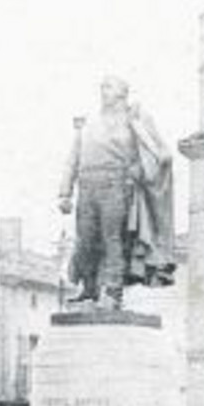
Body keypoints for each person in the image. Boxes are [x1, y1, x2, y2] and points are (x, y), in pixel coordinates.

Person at [58, 76, 176, 309]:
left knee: (113, 240)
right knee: (85, 241)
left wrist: (139, 171)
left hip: (116, 186)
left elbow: (161, 155)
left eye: (109, 86)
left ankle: (113, 293)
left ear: (123, 92)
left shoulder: (134, 120)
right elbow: (73, 158)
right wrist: (65, 192)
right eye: (102, 86)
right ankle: (89, 289)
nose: (103, 90)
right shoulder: (88, 123)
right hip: (87, 185)